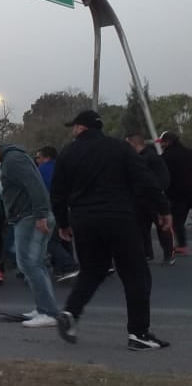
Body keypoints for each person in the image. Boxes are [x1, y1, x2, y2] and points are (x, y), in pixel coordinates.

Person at [52, 110, 173, 350]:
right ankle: (139, 333)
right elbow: (145, 179)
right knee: (135, 273)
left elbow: (58, 193)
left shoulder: (67, 153)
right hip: (118, 216)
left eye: (74, 127)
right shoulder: (119, 148)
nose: (73, 131)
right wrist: (163, 208)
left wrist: (63, 223)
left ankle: (71, 312)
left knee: (92, 270)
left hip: (83, 219)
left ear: (82, 128)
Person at [0, 138, 62, 329]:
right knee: (35, 264)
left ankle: (48, 312)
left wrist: (40, 215)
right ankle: (44, 308)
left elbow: (34, 185)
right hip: (30, 215)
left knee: (28, 264)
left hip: (30, 216)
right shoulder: (13, 158)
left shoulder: (12, 160)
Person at [125, 132, 173, 263]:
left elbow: (163, 178)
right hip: (140, 199)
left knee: (162, 227)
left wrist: (159, 193)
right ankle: (147, 253)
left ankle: (168, 254)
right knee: (142, 228)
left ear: (133, 143)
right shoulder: (139, 158)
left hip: (152, 198)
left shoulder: (150, 158)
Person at [35, 146, 80, 282]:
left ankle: (69, 266)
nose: (37, 160)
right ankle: (62, 268)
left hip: (51, 207)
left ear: (46, 157)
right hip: (69, 207)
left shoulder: (40, 171)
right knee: (65, 236)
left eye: (38, 157)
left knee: (50, 240)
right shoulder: (65, 167)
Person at [159, 130, 192, 256]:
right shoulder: (189, 152)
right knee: (180, 219)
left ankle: (182, 245)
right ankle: (181, 244)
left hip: (178, 193)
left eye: (162, 142)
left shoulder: (167, 156)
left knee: (177, 219)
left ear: (167, 142)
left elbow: (163, 174)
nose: (161, 145)